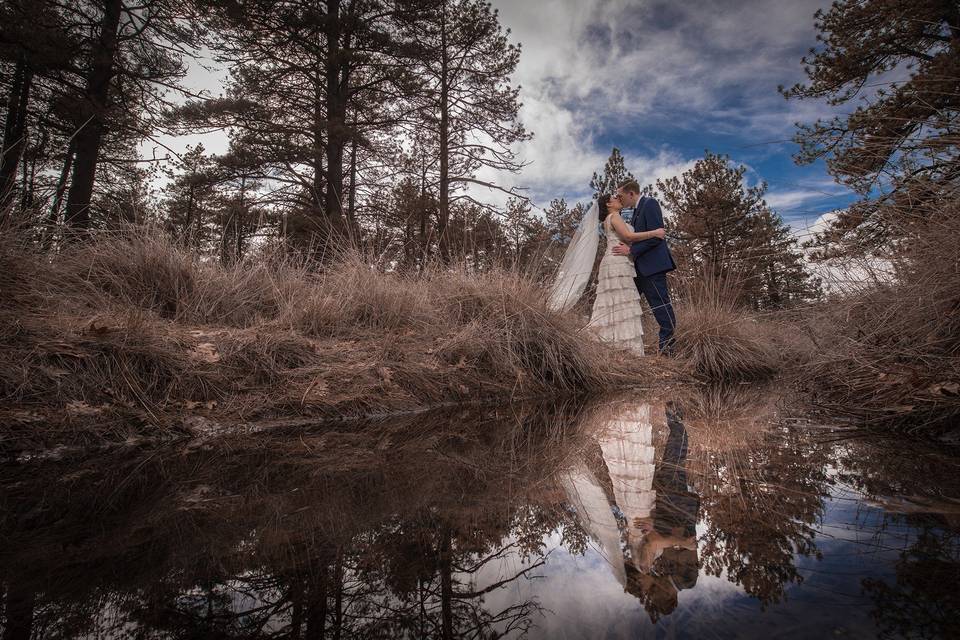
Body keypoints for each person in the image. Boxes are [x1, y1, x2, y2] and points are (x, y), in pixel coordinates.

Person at [587, 193, 666, 355]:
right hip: (617, 262)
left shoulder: (610, 219)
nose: (618, 199)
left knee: (615, 303)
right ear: (609, 205)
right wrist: (655, 233)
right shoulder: (614, 216)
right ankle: (623, 347)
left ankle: (613, 345)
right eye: (615, 198)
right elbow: (628, 236)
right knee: (621, 302)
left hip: (615, 261)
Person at [610, 180, 677, 354]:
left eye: (621, 195)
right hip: (639, 268)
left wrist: (630, 250)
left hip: (652, 267)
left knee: (660, 306)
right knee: (627, 304)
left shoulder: (650, 203)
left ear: (631, 193)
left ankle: (667, 349)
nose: (619, 198)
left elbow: (657, 236)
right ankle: (623, 344)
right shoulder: (635, 212)